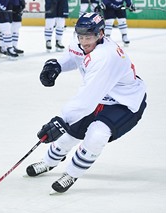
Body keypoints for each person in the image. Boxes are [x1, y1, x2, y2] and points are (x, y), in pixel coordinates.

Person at [25, 12, 146, 193]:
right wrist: (56, 65)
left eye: (88, 37)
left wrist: (60, 120)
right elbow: (74, 56)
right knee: (70, 133)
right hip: (101, 96)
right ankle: (48, 162)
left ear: (101, 34)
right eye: (80, 36)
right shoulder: (82, 44)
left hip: (125, 102)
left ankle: (71, 174)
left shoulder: (105, 57)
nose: (84, 41)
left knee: (97, 134)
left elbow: (86, 99)